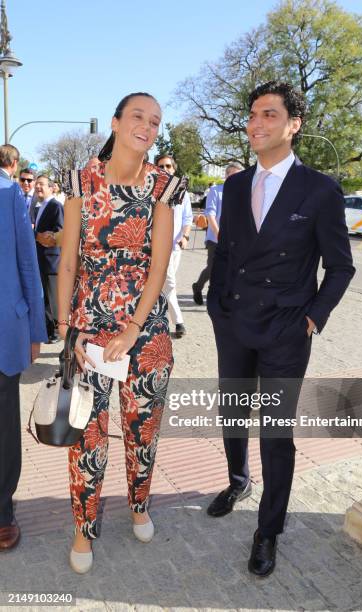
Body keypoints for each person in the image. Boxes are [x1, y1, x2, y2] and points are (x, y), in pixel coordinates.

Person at [206, 81, 355, 577]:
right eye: (252, 114)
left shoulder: (320, 190)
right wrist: (216, 307)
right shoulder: (233, 185)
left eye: (269, 114)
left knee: (275, 432)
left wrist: (314, 316)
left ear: (294, 125)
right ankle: (236, 479)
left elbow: (340, 267)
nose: (256, 123)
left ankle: (268, 530)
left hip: (286, 332)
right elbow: (225, 253)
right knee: (232, 411)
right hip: (234, 324)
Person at [58, 92, 186, 574]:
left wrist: (133, 329)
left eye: (155, 121)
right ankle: (83, 527)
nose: (148, 126)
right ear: (115, 122)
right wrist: (67, 330)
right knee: (86, 433)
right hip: (89, 330)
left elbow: (157, 266)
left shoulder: (164, 187)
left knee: (142, 428)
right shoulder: (80, 182)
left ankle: (138, 503)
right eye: (138, 116)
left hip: (146, 331)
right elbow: (68, 260)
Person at [0, 145, 47, 551]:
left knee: (2, 421)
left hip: (2, 328)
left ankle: (2, 511)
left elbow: (27, 262)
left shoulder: (9, 192)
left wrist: (35, 329)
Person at [192, 162, 243, 305]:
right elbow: (210, 215)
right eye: (232, 175)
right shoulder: (216, 191)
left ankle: (218, 296)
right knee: (213, 268)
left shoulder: (244, 193)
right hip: (216, 239)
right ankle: (198, 286)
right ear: (226, 176)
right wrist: (219, 235)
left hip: (235, 240)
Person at [157, 154, 193, 338]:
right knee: (168, 283)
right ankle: (178, 322)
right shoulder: (151, 190)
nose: (165, 169)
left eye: (168, 166)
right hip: (155, 248)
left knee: (164, 284)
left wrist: (185, 236)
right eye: (161, 166)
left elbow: (187, 218)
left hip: (175, 247)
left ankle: (159, 320)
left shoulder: (182, 192)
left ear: (174, 168)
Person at [34, 175, 64, 343]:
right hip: (41, 260)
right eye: (37, 184)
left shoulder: (56, 206)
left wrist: (46, 237)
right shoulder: (40, 207)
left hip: (52, 261)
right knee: (44, 298)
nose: (38, 186)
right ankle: (48, 331)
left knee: (53, 299)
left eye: (42, 184)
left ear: (52, 188)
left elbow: (60, 231)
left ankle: (57, 332)